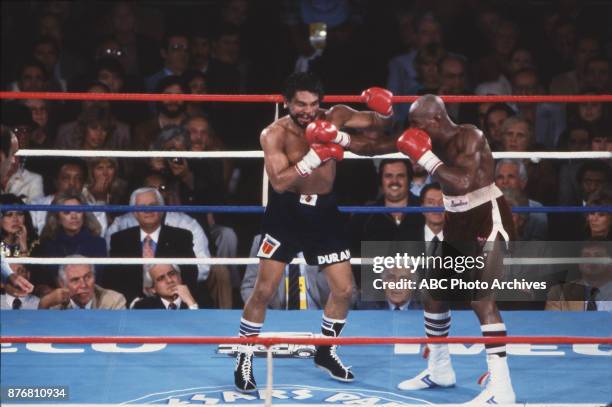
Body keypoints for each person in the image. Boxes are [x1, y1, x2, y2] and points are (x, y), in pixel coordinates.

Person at [234, 72, 397, 392]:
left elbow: (377, 131)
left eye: (313, 104)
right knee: (264, 290)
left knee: (345, 289)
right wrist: (315, 156)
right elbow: (279, 182)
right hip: (285, 213)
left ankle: (325, 349)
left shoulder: (334, 116)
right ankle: (244, 355)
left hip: (323, 213)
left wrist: (386, 113)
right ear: (287, 103)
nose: (308, 111)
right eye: (300, 104)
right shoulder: (273, 134)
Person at [395, 94, 516, 403]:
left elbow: (463, 181)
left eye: (417, 124)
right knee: (433, 292)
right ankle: (439, 370)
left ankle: (502, 391)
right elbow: (384, 143)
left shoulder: (470, 136)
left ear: (436, 120)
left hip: (487, 216)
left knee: (481, 299)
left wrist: (425, 158)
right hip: (456, 220)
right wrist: (341, 137)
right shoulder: (428, 140)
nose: (414, 131)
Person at [38, 256, 126, 310]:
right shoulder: (54, 303)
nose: (84, 285)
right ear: (62, 283)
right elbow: (40, 332)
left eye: (88, 277)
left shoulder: (113, 301)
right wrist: (44, 304)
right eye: (75, 280)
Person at [132, 264, 199, 310]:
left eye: (172, 274)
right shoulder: (143, 307)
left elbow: (201, 328)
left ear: (180, 276)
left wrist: (191, 304)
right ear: (152, 289)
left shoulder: (199, 299)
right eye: (161, 278)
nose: (169, 280)